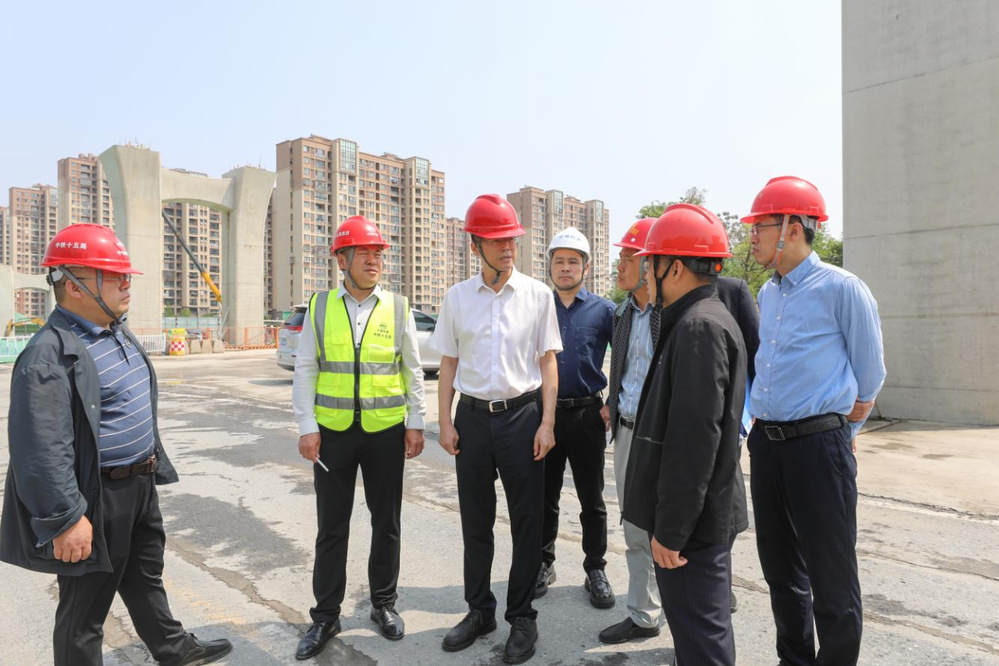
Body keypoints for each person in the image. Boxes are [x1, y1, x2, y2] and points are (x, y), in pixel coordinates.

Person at [0, 223, 232, 666]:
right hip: (96, 496)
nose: (127, 284)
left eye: (126, 275)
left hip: (138, 484)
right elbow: (40, 450)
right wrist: (66, 519)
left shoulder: (114, 330)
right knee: (85, 609)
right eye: (114, 276)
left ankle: (172, 648)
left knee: (145, 576)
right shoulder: (48, 354)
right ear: (73, 285)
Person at [743, 176, 885, 666]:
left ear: (792, 228)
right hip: (767, 445)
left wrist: (841, 435)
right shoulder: (769, 293)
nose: (752, 237)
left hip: (819, 448)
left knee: (831, 574)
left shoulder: (842, 288)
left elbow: (870, 377)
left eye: (760, 227)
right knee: (781, 571)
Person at [431, 194, 562, 665]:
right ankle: (479, 610)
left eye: (511, 239)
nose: (507, 247)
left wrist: (547, 422)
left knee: (527, 522)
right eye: (497, 240)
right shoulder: (457, 298)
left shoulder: (537, 295)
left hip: (522, 417)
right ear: (475, 246)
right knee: (476, 521)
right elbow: (448, 364)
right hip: (471, 419)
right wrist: (445, 421)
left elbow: (548, 362)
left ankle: (522, 617)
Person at [291, 216, 427, 660]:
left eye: (378, 253)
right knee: (332, 526)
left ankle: (383, 604)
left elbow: (411, 370)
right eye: (364, 252)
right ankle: (325, 615)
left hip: (385, 432)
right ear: (341, 260)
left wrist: (415, 422)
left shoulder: (398, 307)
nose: (374, 260)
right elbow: (306, 368)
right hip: (332, 434)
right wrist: (307, 426)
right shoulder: (320, 306)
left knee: (386, 522)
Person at [623, 204, 749, 666]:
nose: (645, 275)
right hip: (697, 518)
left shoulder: (698, 327)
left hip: (692, 528)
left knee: (702, 643)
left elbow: (694, 443)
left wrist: (672, 532)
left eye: (650, 264)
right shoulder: (701, 317)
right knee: (696, 638)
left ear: (673, 268)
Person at [536, 226, 615, 608]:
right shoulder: (538, 308)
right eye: (559, 261)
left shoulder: (605, 310)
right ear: (549, 266)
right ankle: (543, 562)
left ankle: (595, 568)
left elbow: (627, 356)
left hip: (587, 416)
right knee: (544, 496)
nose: (565, 268)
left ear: (586, 266)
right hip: (544, 417)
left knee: (591, 499)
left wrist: (612, 403)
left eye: (572, 261)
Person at [597, 217, 665, 644]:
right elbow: (621, 369)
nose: (619, 265)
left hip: (662, 437)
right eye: (620, 257)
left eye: (628, 257)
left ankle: (692, 610)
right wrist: (611, 403)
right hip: (626, 433)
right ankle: (644, 614)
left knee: (671, 528)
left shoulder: (670, 314)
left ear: (650, 263)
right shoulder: (623, 313)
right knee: (635, 526)